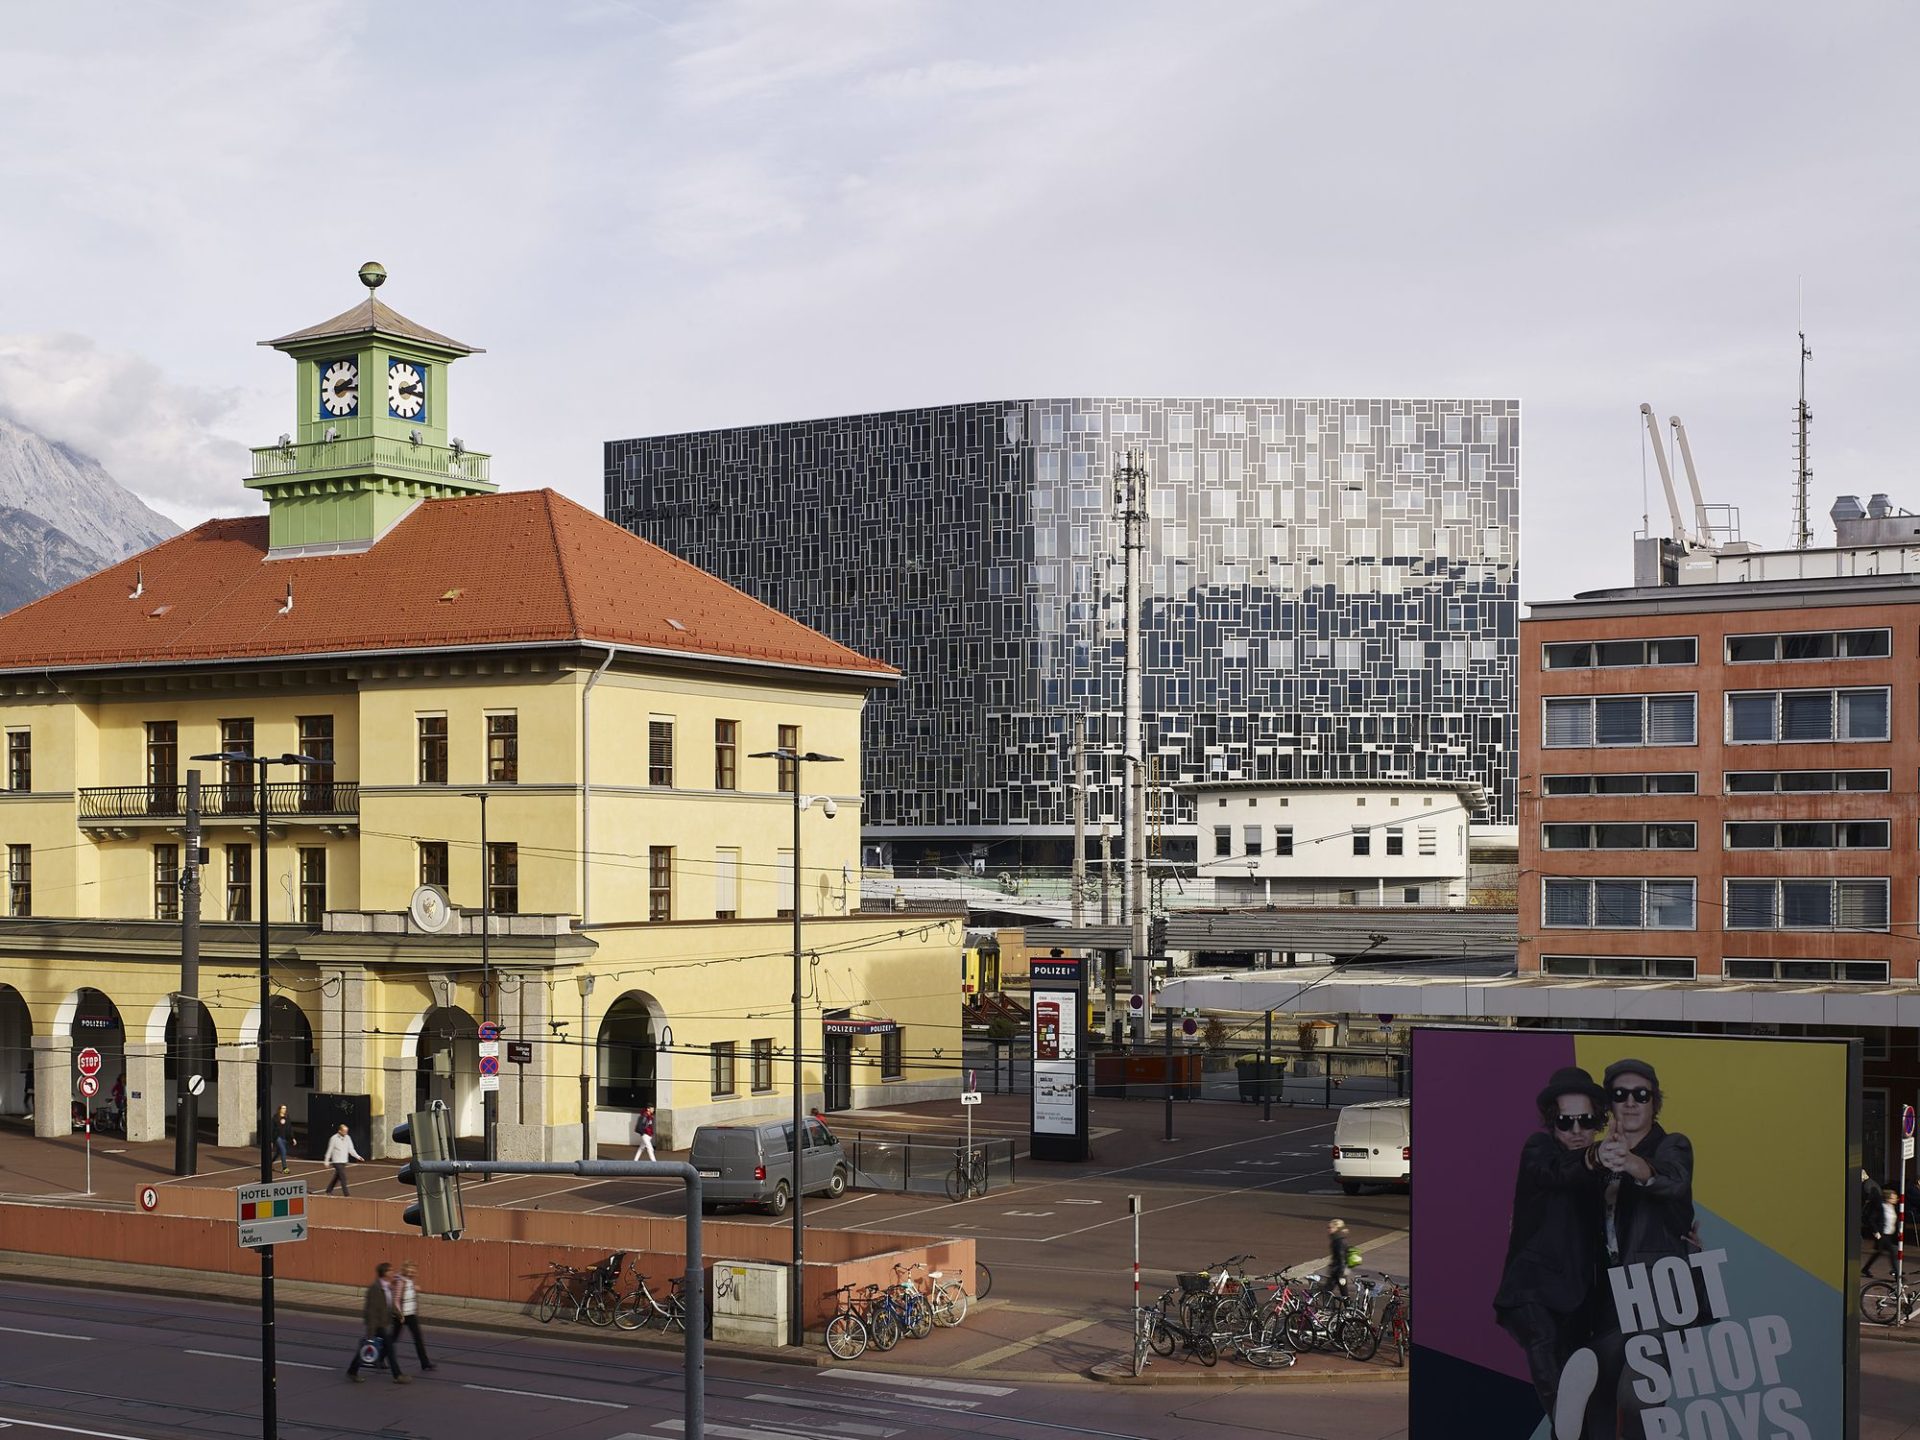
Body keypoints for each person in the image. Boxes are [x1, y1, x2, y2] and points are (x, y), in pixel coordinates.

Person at [1563, 1058, 1696, 1440]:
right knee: (1598, 1396)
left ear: (1655, 1103)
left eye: (1642, 1094)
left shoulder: (1672, 1146)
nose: (1632, 1102)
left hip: (1657, 1293)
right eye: (1620, 1095)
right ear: (1610, 1105)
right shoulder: (1598, 1156)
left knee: (1638, 1395)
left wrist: (1633, 1163)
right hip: (1607, 1296)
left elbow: (1672, 1180)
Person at [1493, 1066, 1608, 1433]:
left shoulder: (1607, 1169)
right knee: (1544, 1344)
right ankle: (1565, 1418)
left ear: (1598, 1122)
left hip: (1580, 1302)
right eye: (1565, 1121)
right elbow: (1554, 1172)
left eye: (1586, 1120)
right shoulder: (1539, 1148)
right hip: (1534, 1289)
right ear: (1551, 1123)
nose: (1576, 1130)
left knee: (1584, 1383)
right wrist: (1595, 1158)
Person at [346, 1263, 408, 1383]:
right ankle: (397, 1375)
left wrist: (399, 1314)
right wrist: (371, 1330)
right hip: (377, 1325)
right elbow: (372, 1311)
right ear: (384, 1273)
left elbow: (389, 1305)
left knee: (367, 1347)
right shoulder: (375, 1288)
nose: (393, 1273)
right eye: (390, 1271)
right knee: (389, 1348)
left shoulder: (387, 1287)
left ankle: (352, 1371)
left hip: (383, 1323)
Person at [388, 1260, 435, 1371]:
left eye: (413, 1270)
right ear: (405, 1270)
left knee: (418, 1338)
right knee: (393, 1338)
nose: (412, 1272)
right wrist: (400, 1315)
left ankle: (425, 1363)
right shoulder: (401, 1282)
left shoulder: (410, 1280)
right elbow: (396, 1300)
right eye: (410, 1270)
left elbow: (408, 1293)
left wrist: (414, 1288)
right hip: (402, 1316)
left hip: (411, 1314)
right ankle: (380, 1358)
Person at [1864, 1179, 1899, 1278]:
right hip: (1882, 1234)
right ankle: (1896, 1273)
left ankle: (1865, 1268)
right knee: (1892, 1252)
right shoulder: (1881, 1207)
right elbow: (1872, 1219)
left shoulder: (1893, 1208)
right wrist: (1876, 1232)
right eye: (1893, 1198)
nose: (1895, 1199)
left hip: (1890, 1234)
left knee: (1878, 1252)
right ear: (1888, 1199)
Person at [323, 1122, 363, 1196]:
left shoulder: (348, 1138)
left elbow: (351, 1149)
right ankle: (346, 1194)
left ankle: (328, 1190)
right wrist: (326, 1161)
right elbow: (330, 1150)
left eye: (346, 1131)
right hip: (336, 1161)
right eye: (344, 1131)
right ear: (340, 1131)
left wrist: (358, 1156)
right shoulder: (333, 1138)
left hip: (343, 1161)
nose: (346, 1133)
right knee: (343, 1177)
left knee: (337, 1176)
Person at [274, 1104, 293, 1173]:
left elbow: (290, 1128)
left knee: (278, 1152)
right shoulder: (275, 1117)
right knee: (283, 1151)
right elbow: (272, 1129)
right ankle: (285, 1168)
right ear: (280, 1109)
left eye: (285, 1108)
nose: (284, 1110)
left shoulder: (287, 1117)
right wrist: (271, 1139)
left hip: (285, 1137)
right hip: (278, 1137)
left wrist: (292, 1138)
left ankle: (270, 1163)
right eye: (283, 1108)